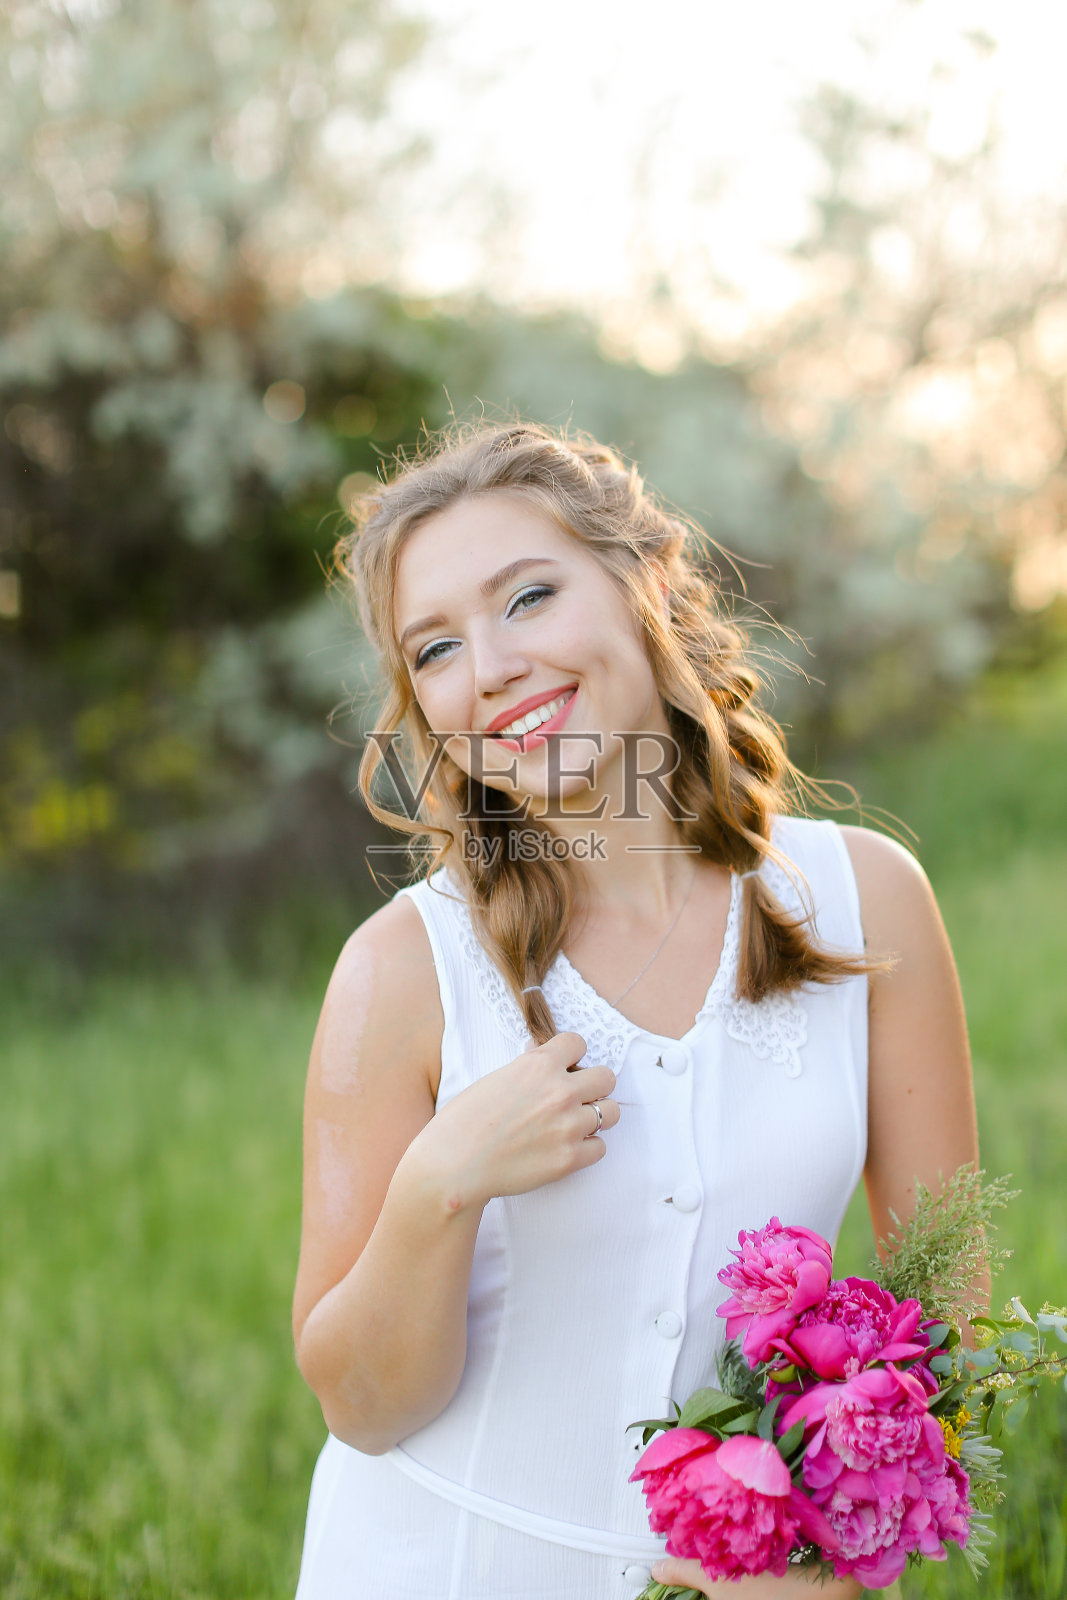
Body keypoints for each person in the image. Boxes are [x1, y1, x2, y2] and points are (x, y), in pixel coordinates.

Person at [290, 421, 980, 1599]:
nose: (493, 665)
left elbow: (947, 1312)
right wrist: (437, 1184)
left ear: (646, 581)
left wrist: (838, 1560)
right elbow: (362, 1406)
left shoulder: (868, 904)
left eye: (530, 596)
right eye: (437, 646)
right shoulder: (402, 970)